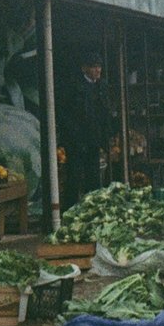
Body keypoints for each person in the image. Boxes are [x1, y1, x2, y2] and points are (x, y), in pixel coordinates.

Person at [57, 49, 111, 209]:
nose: (98, 70)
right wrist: (72, 134)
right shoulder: (73, 86)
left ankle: (92, 210)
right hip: (76, 141)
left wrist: (105, 135)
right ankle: (70, 211)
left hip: (94, 139)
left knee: (94, 177)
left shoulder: (102, 86)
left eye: (99, 66)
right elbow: (63, 113)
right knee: (74, 176)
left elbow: (105, 112)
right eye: (94, 66)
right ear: (84, 68)